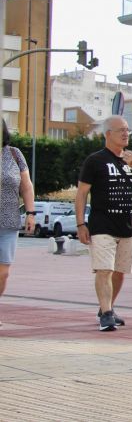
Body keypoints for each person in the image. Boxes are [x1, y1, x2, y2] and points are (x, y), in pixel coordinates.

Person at [76, 116, 132, 331]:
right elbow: (81, 194)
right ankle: (107, 314)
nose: (126, 133)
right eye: (121, 130)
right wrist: (81, 224)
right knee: (104, 269)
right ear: (107, 134)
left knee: (119, 271)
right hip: (102, 224)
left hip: (128, 225)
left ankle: (107, 307)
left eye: (128, 130)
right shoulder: (95, 160)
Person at [0, 119, 35, 326]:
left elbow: (27, 186)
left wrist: (31, 213)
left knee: (3, 273)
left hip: (9, 222)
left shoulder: (14, 154)